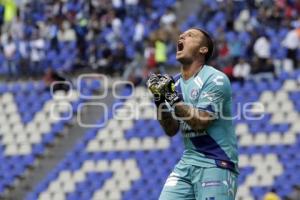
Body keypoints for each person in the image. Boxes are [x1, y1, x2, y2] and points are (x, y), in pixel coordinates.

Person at [147, 28, 238, 200]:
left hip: (215, 163)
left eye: (190, 36)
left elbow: (200, 122)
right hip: (188, 161)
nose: (182, 36)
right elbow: (171, 129)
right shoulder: (174, 83)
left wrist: (172, 98)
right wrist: (159, 100)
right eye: (182, 35)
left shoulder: (215, 79)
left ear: (203, 49)